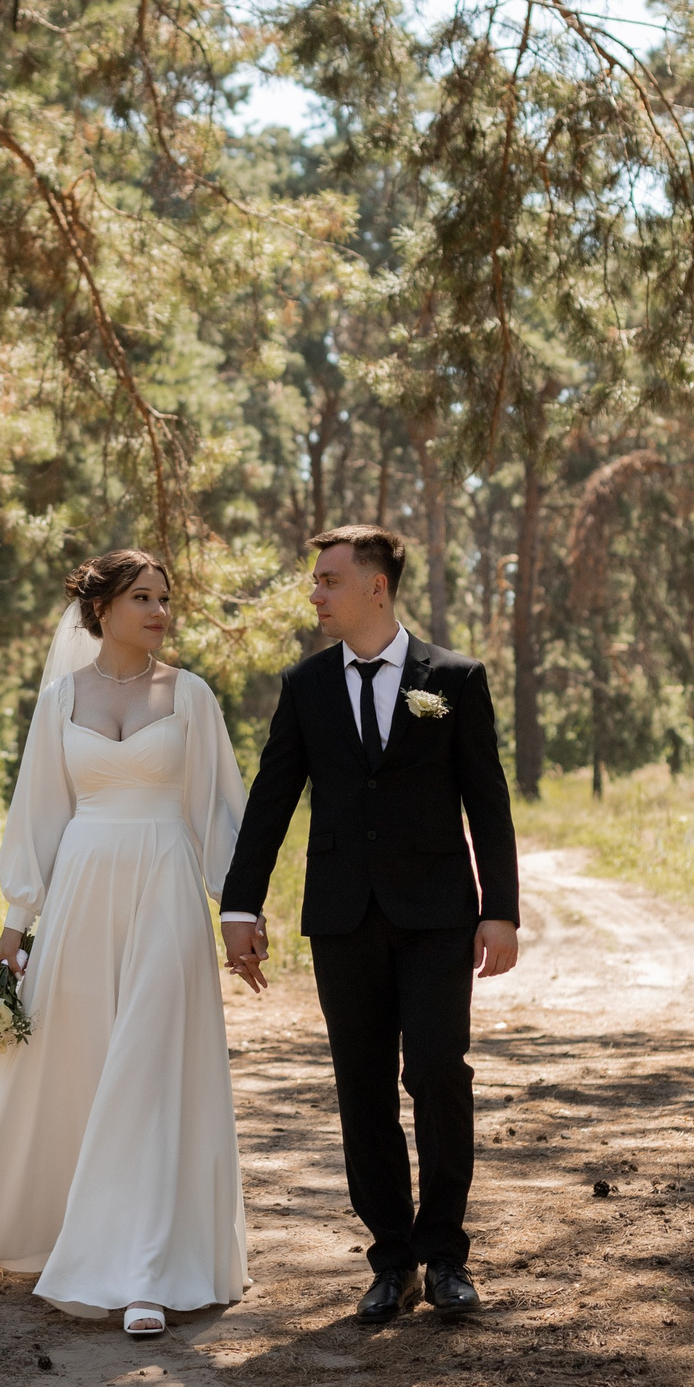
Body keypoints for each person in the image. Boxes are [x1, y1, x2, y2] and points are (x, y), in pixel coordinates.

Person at [0, 549, 258, 1336]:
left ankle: (141, 1271)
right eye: (143, 597)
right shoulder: (62, 699)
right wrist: (14, 925)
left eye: (165, 597)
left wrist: (237, 912)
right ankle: (59, 1228)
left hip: (165, 891)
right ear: (101, 609)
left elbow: (220, 815)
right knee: (82, 1065)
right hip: (81, 897)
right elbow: (37, 815)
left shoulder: (191, 696)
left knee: (149, 1066)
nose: (160, 610)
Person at [219, 524, 521, 1323]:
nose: (315, 594)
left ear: (375, 587)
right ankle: (392, 1261)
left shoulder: (453, 677)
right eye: (316, 581)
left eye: (327, 580)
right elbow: (271, 801)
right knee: (362, 1090)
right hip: (343, 919)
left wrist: (501, 911)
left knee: (436, 1073)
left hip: (436, 919)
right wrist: (239, 908)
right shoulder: (307, 685)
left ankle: (446, 1254)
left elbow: (486, 799)